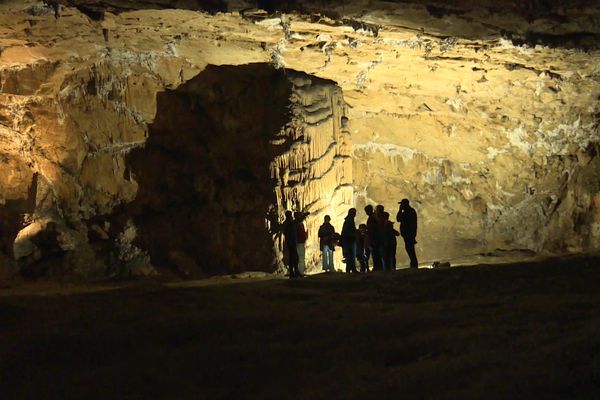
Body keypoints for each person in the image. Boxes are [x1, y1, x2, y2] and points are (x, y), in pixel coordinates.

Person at [396, 198, 418, 269]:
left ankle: (414, 264)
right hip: (409, 234)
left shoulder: (408, 212)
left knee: (410, 248)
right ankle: (413, 263)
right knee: (410, 248)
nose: (401, 205)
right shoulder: (410, 211)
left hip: (409, 234)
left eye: (402, 204)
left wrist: (400, 210)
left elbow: (398, 219)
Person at [282, 210, 300, 278]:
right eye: (291, 215)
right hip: (291, 242)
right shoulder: (289, 223)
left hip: (290, 242)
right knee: (294, 257)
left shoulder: (286, 223)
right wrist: (304, 216)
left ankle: (293, 272)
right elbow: (296, 221)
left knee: (292, 257)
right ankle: (294, 272)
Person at [365, 205, 382, 271]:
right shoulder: (374, 217)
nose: (366, 212)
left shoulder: (372, 217)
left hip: (374, 238)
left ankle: (377, 267)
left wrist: (372, 238)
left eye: (366, 211)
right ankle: (378, 267)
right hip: (375, 237)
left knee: (376, 254)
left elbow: (373, 229)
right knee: (376, 253)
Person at [341, 208, 358, 273]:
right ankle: (351, 269)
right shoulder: (349, 221)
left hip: (348, 240)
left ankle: (350, 269)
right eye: (354, 213)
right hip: (350, 240)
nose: (355, 214)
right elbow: (348, 231)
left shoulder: (348, 220)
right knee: (351, 255)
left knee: (350, 255)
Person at [294, 211, 309, 276]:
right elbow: (299, 234)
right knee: (300, 258)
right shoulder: (298, 224)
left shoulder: (298, 224)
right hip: (299, 242)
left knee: (299, 258)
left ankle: (299, 271)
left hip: (299, 242)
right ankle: (300, 272)